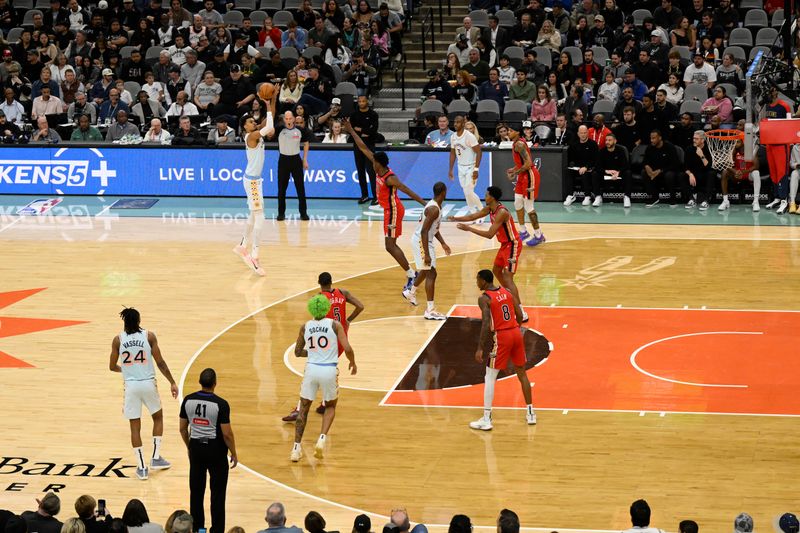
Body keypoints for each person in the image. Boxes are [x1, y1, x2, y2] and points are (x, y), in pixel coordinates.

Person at [344, 118, 426, 292]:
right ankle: (411, 273)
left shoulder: (390, 177)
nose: (371, 163)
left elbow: (406, 189)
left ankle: (412, 274)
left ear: (379, 164)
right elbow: (362, 147)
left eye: (374, 162)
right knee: (390, 245)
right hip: (389, 210)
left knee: (389, 245)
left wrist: (425, 203)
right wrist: (351, 131)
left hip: (394, 210)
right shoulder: (378, 167)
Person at [283, 272, 365, 421]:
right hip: (341, 337)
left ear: (319, 283)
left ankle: (299, 409)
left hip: (327, 338)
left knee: (314, 370)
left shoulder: (318, 299)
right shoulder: (343, 293)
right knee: (330, 368)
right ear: (331, 282)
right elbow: (360, 306)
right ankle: (325, 402)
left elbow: (316, 320)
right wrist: (348, 320)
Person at [109, 307, 177, 480]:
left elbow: (111, 366)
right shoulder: (149, 336)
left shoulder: (118, 340)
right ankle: (155, 458)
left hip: (131, 387)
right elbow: (160, 362)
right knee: (158, 418)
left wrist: (126, 371)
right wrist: (172, 382)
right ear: (139, 321)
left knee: (135, 427)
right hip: (148, 384)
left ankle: (142, 468)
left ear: (124, 322)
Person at [290, 295, 356, 462]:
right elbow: (347, 347)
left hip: (311, 369)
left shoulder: (305, 327)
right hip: (329, 370)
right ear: (327, 308)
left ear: (311, 309)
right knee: (331, 406)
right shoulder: (335, 325)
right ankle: (321, 439)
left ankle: (296, 448)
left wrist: (313, 353)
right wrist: (352, 362)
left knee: (303, 408)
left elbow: (297, 352)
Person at [468, 269, 535, 430]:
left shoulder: (484, 299)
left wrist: (480, 347)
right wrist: (516, 328)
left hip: (502, 336)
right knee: (522, 373)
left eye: (477, 280)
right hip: (516, 333)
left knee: (490, 376)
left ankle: (486, 418)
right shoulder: (507, 291)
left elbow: (485, 323)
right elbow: (520, 314)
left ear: (484, 281)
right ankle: (531, 414)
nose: (476, 283)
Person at [450, 187, 529, 323]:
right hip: (504, 245)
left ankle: (521, 311)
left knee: (508, 278)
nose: (484, 196)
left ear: (492, 197)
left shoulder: (501, 212)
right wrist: (455, 218)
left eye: (486, 195)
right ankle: (509, 296)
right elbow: (473, 216)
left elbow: (489, 234)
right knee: (496, 270)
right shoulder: (489, 209)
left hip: (512, 245)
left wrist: (469, 228)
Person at [179, 368, 238, 533]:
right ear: (215, 383)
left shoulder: (188, 400)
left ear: (200, 382)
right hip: (216, 450)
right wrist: (233, 452)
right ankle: (217, 530)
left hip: (196, 448)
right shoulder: (221, 404)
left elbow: (183, 429)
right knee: (218, 494)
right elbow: (227, 434)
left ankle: (199, 530)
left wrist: (189, 446)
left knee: (196, 493)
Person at [232, 107, 275, 275]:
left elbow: (267, 121)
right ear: (245, 127)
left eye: (253, 121)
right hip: (253, 182)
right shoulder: (251, 136)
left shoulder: (254, 131)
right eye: (250, 122)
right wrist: (267, 103)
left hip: (254, 180)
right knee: (260, 216)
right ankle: (255, 254)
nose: (254, 123)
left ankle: (242, 245)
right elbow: (269, 126)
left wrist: (271, 100)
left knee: (253, 214)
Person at [402, 181, 451, 319]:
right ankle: (430, 310)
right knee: (431, 273)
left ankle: (410, 292)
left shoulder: (436, 206)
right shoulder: (434, 209)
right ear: (444, 192)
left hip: (424, 240)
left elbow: (433, 229)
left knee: (427, 270)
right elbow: (424, 231)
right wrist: (427, 254)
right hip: (421, 241)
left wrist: (443, 243)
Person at [506, 127, 545, 246]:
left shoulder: (519, 145)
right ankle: (523, 232)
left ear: (517, 132)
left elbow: (528, 164)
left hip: (529, 176)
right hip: (523, 175)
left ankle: (539, 235)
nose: (508, 132)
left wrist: (515, 173)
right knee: (517, 202)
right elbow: (521, 163)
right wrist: (514, 169)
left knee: (528, 206)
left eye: (510, 130)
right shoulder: (515, 143)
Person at [276, 110, 311, 221]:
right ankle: (281, 213)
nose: (288, 121)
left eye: (290, 118)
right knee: (282, 189)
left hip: (296, 160)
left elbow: (306, 143)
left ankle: (303, 213)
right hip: (283, 160)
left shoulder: (300, 131)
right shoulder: (279, 130)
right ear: (283, 120)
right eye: (286, 119)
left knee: (300, 188)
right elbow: (269, 132)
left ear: (294, 119)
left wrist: (304, 159)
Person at [448, 115, 483, 216]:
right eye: (454, 122)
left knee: (469, 191)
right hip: (460, 166)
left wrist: (476, 169)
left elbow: (479, 152)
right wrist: (450, 169)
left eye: (458, 122)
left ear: (463, 124)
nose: (455, 124)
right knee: (466, 192)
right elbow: (453, 153)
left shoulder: (469, 136)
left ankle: (481, 210)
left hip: (471, 166)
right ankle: (473, 214)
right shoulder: (453, 137)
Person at [718, 138, 761, 213]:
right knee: (724, 172)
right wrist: (735, 171)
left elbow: (756, 166)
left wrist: (743, 172)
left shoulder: (750, 150)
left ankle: (756, 202)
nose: (735, 143)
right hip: (736, 174)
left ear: (743, 142)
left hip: (747, 173)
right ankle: (725, 201)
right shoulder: (733, 150)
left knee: (756, 173)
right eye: (734, 142)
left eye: (737, 142)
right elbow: (726, 164)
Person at [643, 129, 681, 207]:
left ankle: (673, 197)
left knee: (669, 175)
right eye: (651, 138)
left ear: (660, 138)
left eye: (654, 138)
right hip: (654, 171)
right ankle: (654, 197)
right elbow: (645, 162)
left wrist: (661, 170)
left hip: (667, 170)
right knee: (644, 172)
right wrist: (648, 169)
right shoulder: (649, 147)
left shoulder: (669, 147)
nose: (651, 140)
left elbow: (675, 164)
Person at [563, 125, 599, 206]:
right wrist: (572, 164)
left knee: (585, 173)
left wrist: (586, 167)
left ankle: (587, 196)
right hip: (577, 168)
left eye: (585, 133)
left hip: (589, 168)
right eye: (581, 133)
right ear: (578, 134)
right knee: (568, 171)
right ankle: (570, 195)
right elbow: (571, 159)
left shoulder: (593, 144)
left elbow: (595, 160)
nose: (583, 135)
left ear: (588, 133)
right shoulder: (574, 145)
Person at [683, 130, 714, 210]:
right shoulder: (689, 149)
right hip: (694, 175)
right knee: (681, 175)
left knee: (711, 173)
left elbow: (709, 167)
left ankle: (706, 201)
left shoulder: (709, 149)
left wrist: (702, 155)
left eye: (696, 139)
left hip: (705, 174)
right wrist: (690, 174)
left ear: (702, 140)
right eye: (694, 138)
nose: (694, 140)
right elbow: (685, 167)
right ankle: (691, 199)